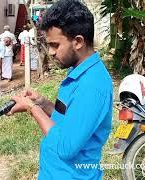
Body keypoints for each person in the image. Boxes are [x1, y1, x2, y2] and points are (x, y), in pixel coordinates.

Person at [8, 0, 113, 179]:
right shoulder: (78, 72)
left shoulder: (93, 85)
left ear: (78, 41)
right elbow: (69, 117)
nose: (50, 52)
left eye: (55, 45)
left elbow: (66, 147)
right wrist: (42, 104)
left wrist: (32, 109)